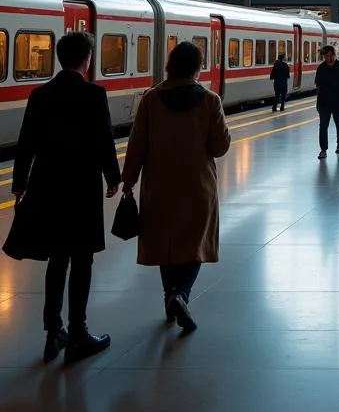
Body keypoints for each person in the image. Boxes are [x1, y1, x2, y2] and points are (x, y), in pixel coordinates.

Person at [9, 31, 120, 364]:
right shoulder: (94, 95)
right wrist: (113, 178)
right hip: (82, 189)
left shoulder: (40, 94)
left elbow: (25, 141)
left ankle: (52, 332)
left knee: (57, 260)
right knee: (82, 260)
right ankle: (78, 334)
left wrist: (20, 183)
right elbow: (104, 140)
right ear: (86, 60)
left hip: (47, 186)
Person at [121, 41, 231, 334]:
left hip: (159, 185)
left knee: (166, 243)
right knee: (194, 245)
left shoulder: (150, 100)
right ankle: (180, 295)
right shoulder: (210, 100)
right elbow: (220, 147)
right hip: (198, 186)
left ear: (170, 65)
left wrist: (128, 181)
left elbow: (137, 146)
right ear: (197, 67)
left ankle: (168, 298)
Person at [314, 46, 339, 158]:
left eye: (331, 55)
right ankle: (323, 149)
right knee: (323, 126)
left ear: (334, 55)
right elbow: (318, 85)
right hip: (324, 103)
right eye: (327, 56)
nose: (329, 58)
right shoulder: (321, 68)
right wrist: (318, 104)